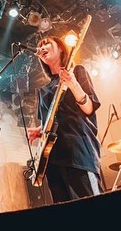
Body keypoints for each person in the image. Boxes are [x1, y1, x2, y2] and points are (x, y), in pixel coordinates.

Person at [27, 35, 103, 203]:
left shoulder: (77, 71)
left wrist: (73, 84)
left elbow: (89, 108)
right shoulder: (43, 91)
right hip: (53, 161)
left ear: (61, 48)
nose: (42, 48)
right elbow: (50, 122)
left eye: (46, 43)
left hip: (79, 153)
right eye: (40, 46)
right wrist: (40, 131)